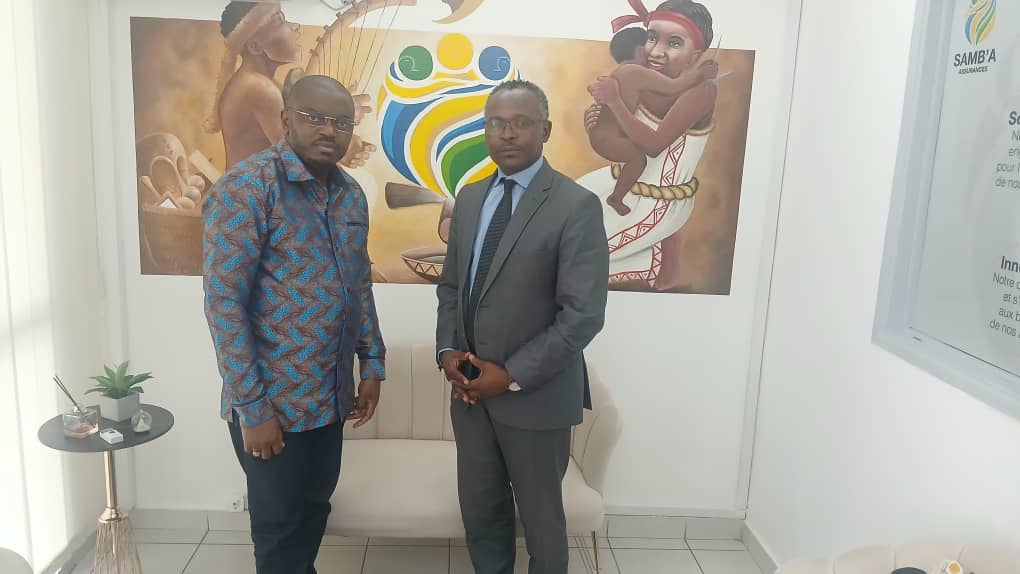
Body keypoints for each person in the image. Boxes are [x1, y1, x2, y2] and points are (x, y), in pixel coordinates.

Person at [203, 75, 385, 574]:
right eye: (314, 118)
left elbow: (359, 285)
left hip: (330, 400)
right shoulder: (247, 188)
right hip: (274, 406)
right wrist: (252, 409)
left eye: (341, 122)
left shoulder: (350, 196)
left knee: (313, 513)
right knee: (279, 531)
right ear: (286, 119)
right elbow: (224, 305)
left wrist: (372, 363)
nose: (329, 130)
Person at [436, 80, 609, 574]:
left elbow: (582, 315)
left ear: (545, 130)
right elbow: (452, 287)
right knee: (482, 516)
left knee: (542, 525)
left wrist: (510, 375)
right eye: (496, 123)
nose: (507, 134)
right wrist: (448, 353)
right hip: (471, 398)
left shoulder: (575, 205)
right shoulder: (470, 198)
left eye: (520, 123)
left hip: (536, 398)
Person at [580, 0, 717, 291]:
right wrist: (599, 119)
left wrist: (614, 103)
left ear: (695, 56)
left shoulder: (700, 92)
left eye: (674, 43)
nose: (656, 51)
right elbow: (620, 127)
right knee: (549, 227)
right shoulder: (639, 75)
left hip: (656, 204)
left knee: (572, 259)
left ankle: (657, 260)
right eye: (652, 38)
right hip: (618, 183)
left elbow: (653, 146)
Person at [207, 1, 374, 170]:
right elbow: (297, 158)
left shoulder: (262, 83)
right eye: (280, 21)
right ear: (255, 46)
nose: (295, 26)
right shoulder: (258, 88)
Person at [595, 25, 718, 216]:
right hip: (611, 139)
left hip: (601, 136)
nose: (655, 53)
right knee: (638, 160)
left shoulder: (621, 73)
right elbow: (672, 87)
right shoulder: (635, 72)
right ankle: (616, 198)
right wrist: (700, 74)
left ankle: (616, 197)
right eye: (651, 44)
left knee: (636, 159)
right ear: (639, 50)